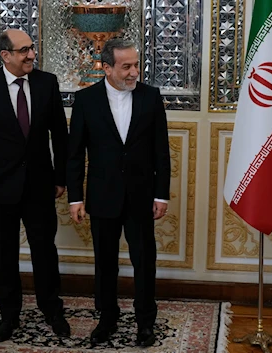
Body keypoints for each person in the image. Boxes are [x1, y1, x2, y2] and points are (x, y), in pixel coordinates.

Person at [0, 28, 70, 342]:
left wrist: (60, 178)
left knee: (44, 251)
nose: (31, 55)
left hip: (40, 185)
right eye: (23, 50)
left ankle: (52, 310)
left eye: (32, 49)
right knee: (5, 253)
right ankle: (9, 316)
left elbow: (60, 137)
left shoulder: (46, 83)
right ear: (6, 55)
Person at [66, 38, 171, 347]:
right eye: (126, 66)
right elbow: (75, 155)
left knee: (144, 261)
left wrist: (161, 195)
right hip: (102, 196)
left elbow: (161, 153)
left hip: (141, 196)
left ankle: (145, 323)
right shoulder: (86, 100)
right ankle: (107, 319)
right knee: (105, 263)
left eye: (136, 65)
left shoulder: (151, 98)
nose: (133, 72)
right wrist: (75, 197)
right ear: (107, 68)